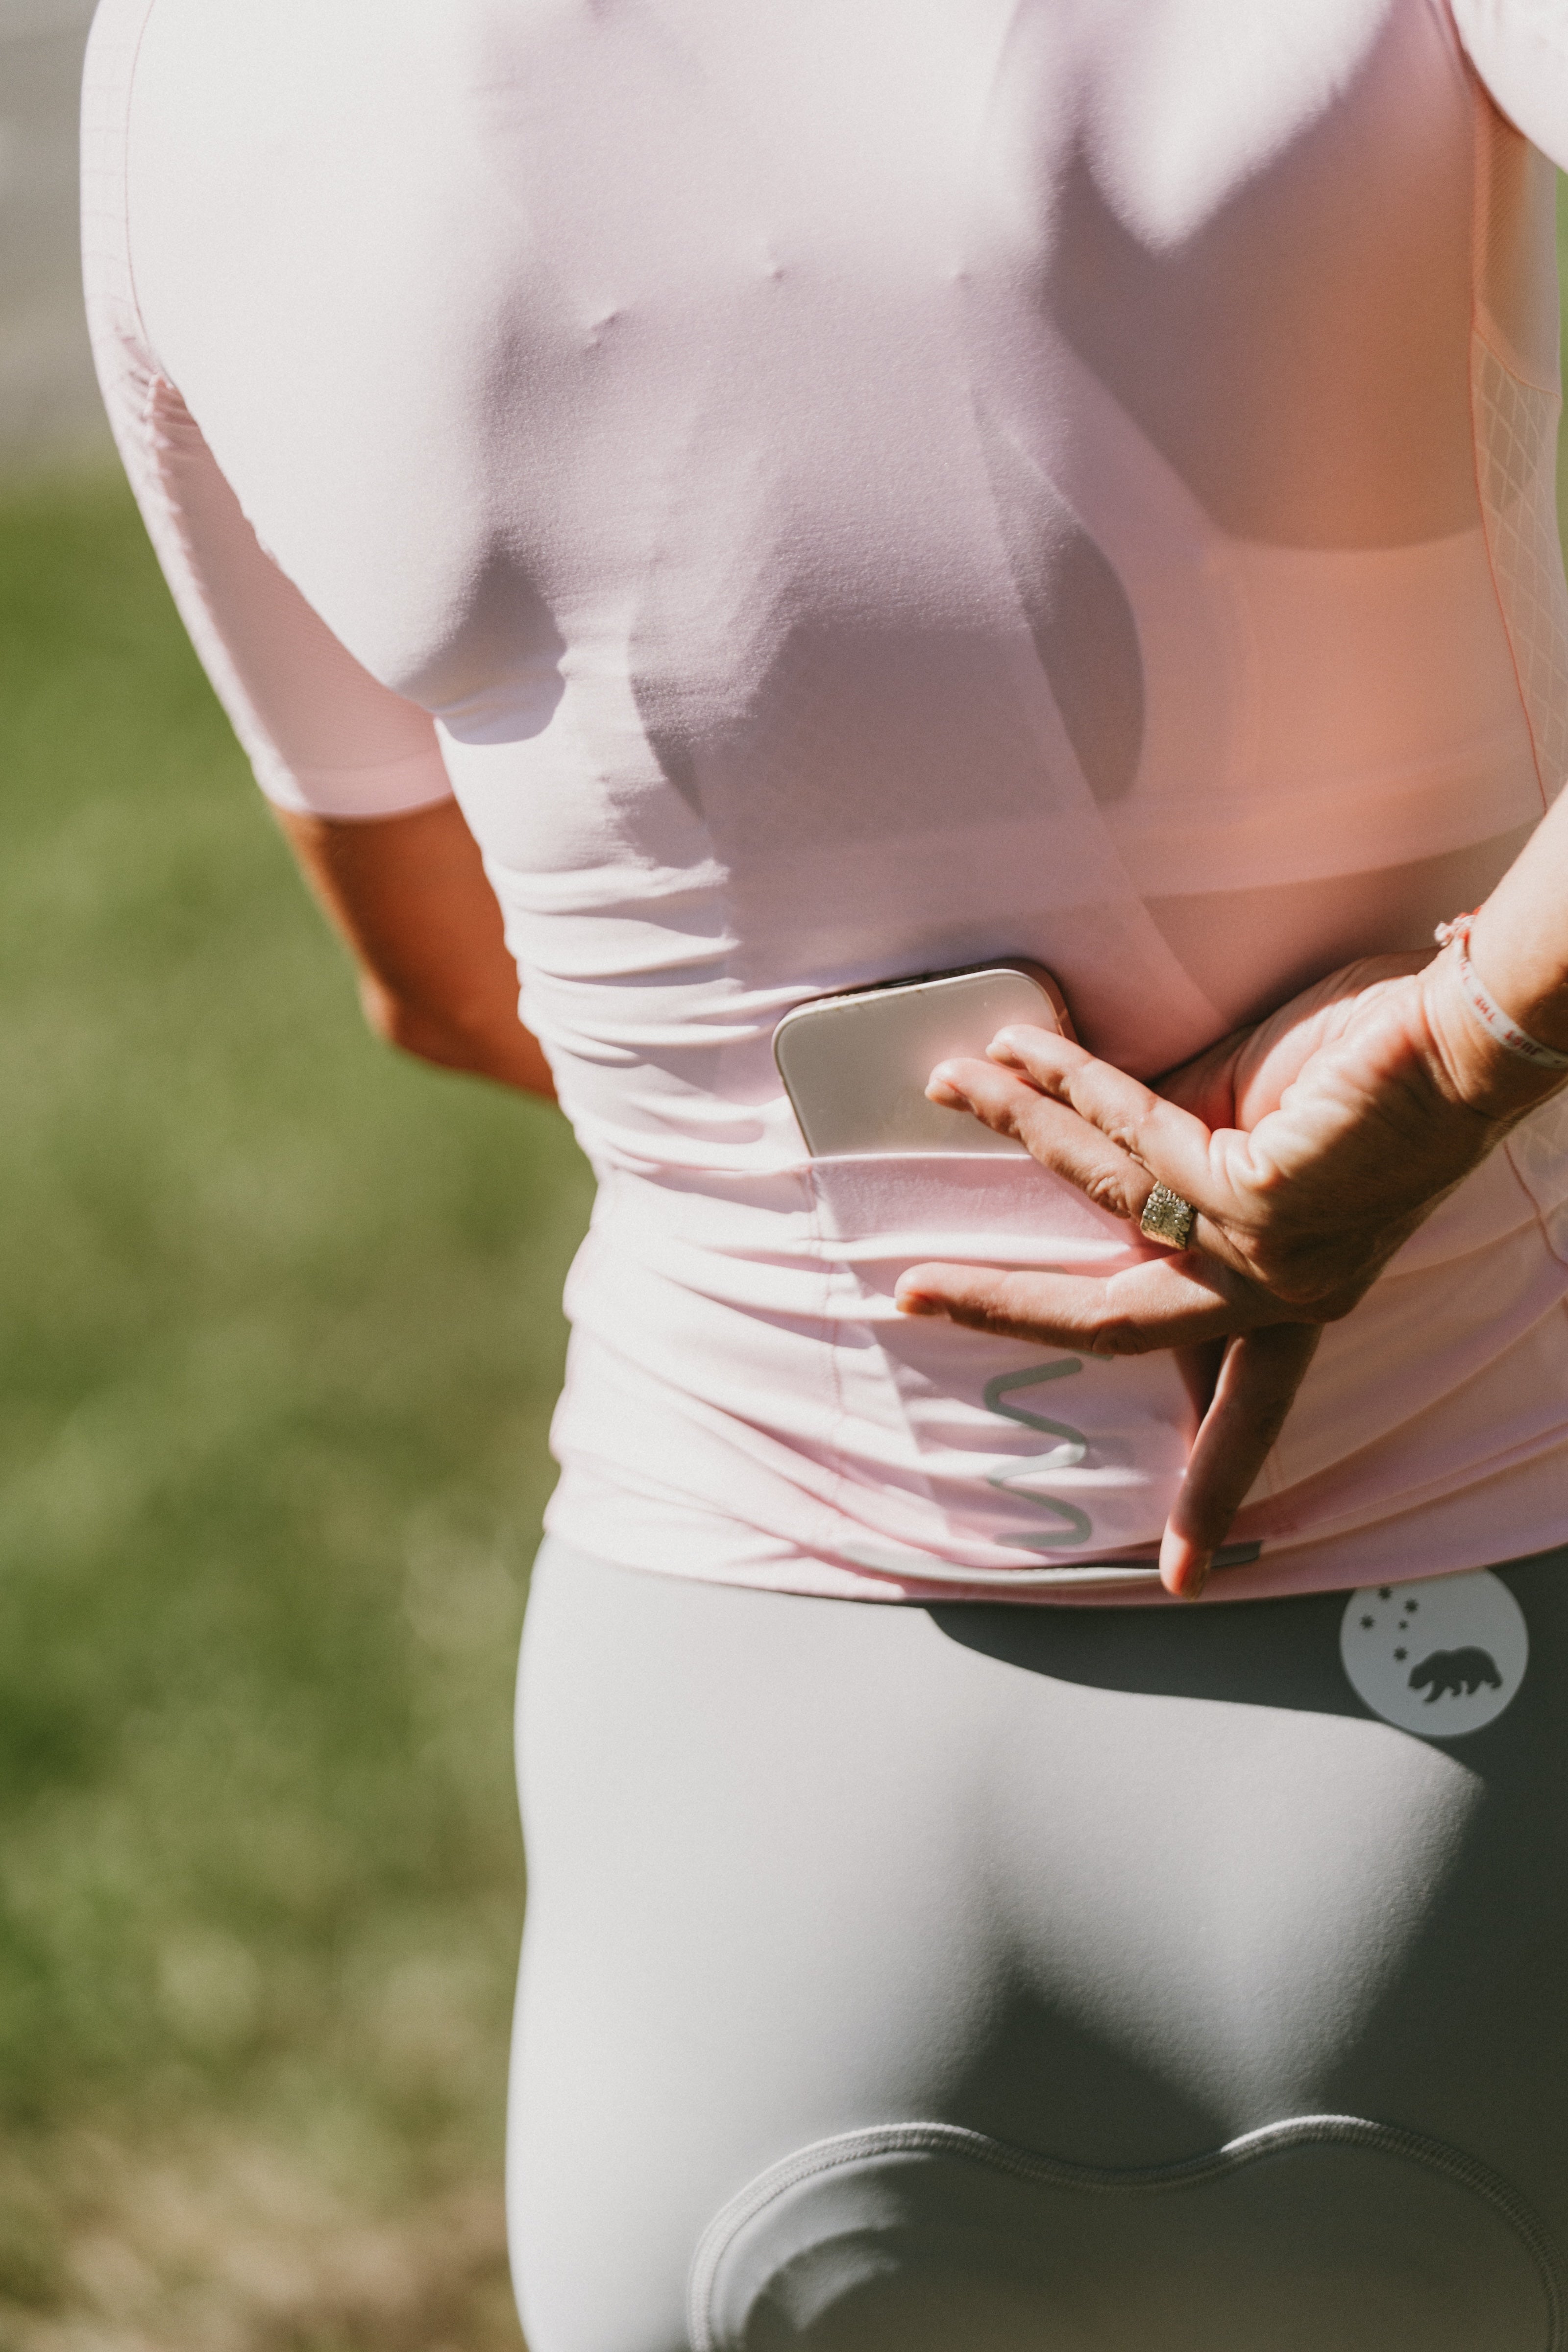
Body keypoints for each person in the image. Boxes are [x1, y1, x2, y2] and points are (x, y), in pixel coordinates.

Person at [81, 0, 1568, 2342]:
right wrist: (1473, 1031)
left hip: (749, 1758)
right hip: (1486, 1671)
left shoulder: (191, 59)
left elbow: (446, 982)